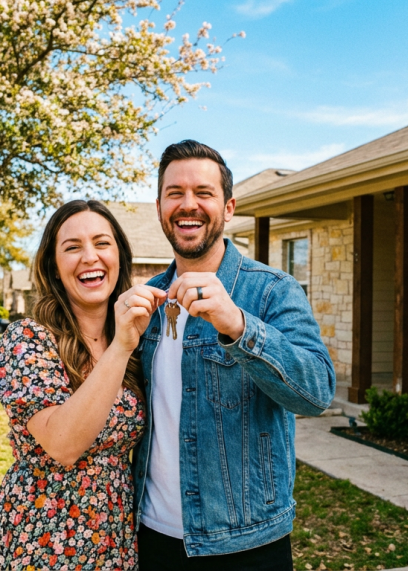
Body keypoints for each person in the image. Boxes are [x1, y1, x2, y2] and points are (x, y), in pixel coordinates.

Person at [134, 140, 336, 570]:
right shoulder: (145, 302)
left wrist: (239, 326)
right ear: (158, 207)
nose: (189, 205)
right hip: (151, 539)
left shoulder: (272, 290)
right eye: (175, 193)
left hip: (246, 546)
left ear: (228, 208)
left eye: (204, 193)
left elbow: (318, 392)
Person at [0, 200, 166, 570]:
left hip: (116, 538)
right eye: (72, 247)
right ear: (53, 265)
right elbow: (63, 444)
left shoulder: (140, 339)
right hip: (42, 537)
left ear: (119, 256)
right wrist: (121, 348)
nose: (89, 257)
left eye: (102, 243)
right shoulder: (28, 339)